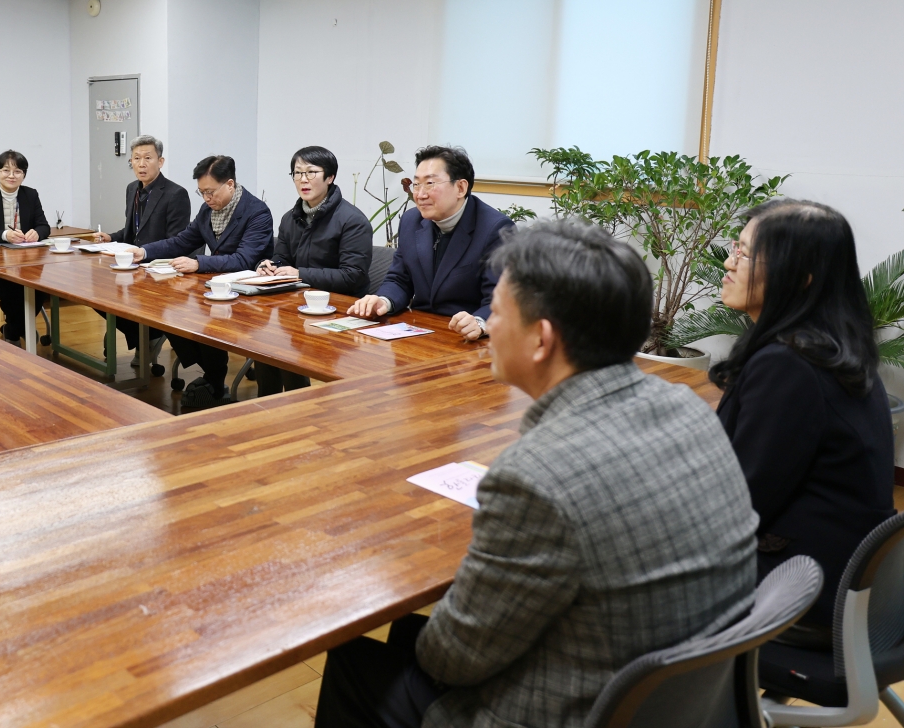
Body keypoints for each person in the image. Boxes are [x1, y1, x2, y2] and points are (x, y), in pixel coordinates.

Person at [315, 219, 758, 728]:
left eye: (497, 313)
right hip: (681, 701)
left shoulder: (536, 477)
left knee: (356, 660)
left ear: (541, 340)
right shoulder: (689, 408)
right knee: (409, 636)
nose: (489, 324)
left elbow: (452, 658)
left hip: (570, 709)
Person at [713, 199, 895, 637]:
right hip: (845, 580)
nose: (729, 263)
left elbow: (740, 503)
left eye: (744, 254)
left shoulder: (789, 364)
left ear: (801, 277)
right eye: (735, 248)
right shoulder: (826, 348)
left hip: (800, 591)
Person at [131, 155, 273, 409]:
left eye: (210, 192)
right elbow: (183, 241)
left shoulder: (257, 212)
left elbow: (245, 259)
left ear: (230, 184)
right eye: (202, 192)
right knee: (170, 312)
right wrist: (145, 252)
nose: (206, 198)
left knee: (206, 322)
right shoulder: (208, 210)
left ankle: (215, 381)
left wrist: (199, 263)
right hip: (215, 289)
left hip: (249, 297)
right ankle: (212, 376)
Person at [348, 146, 511, 342]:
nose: (420, 194)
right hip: (419, 330)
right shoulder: (411, 220)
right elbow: (399, 279)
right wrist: (383, 301)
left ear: (460, 188)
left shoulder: (495, 229)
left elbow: (501, 299)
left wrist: (479, 322)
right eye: (417, 184)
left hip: (465, 338)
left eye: (430, 184)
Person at [255, 145, 373, 395]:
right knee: (265, 343)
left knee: (288, 347)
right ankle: (266, 406)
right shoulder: (290, 217)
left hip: (340, 309)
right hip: (299, 305)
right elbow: (281, 258)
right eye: (297, 173)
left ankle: (305, 404)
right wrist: (269, 266)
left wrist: (299, 273)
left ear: (330, 177)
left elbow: (353, 276)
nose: (303, 179)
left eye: (311, 172)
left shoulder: (352, 220)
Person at [90, 134, 192, 358]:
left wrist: (145, 253)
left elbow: (178, 242)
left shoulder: (176, 194)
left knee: (123, 298)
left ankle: (149, 334)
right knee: (95, 295)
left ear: (160, 161)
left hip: (159, 270)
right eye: (136, 158)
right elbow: (132, 232)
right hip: (133, 266)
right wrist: (110, 237)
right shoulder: (132, 189)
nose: (141, 164)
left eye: (148, 158)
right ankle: (144, 335)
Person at [0, 150, 51, 344]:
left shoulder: (30, 195)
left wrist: (36, 233)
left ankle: (14, 329)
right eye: (6, 170)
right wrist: (5, 235)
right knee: (10, 286)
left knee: (42, 287)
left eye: (17, 171)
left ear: (24, 175)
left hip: (28, 261)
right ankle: (19, 329)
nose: (11, 175)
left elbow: (44, 226)